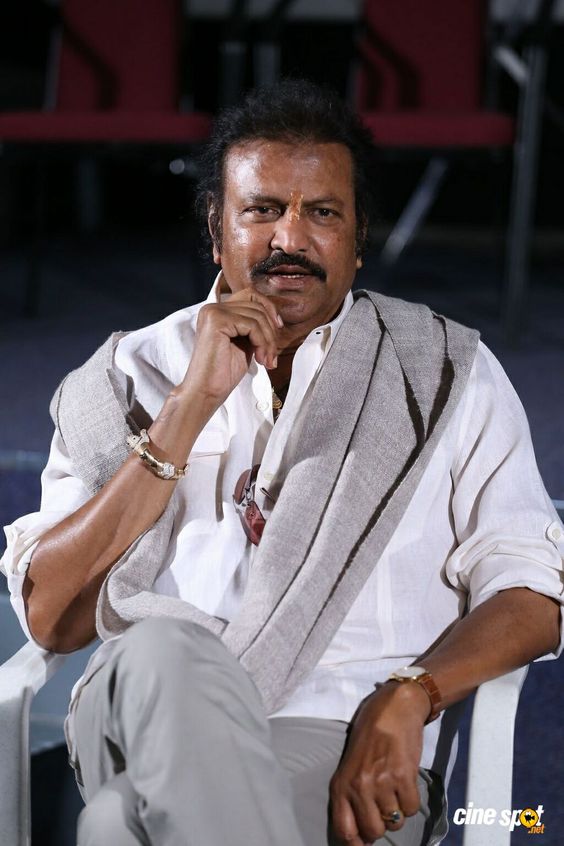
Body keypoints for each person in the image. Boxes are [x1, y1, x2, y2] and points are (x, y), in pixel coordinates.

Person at [2, 80, 563, 846]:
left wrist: (411, 693)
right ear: (216, 229)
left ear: (359, 240)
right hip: (142, 707)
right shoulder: (128, 377)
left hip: (348, 745)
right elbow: (51, 616)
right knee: (162, 646)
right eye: (262, 210)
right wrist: (186, 408)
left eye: (322, 213)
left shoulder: (442, 373)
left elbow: (532, 592)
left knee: (114, 825)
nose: (289, 238)